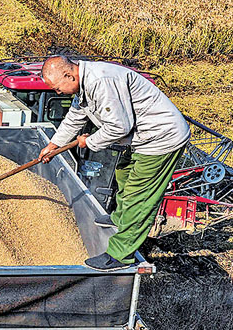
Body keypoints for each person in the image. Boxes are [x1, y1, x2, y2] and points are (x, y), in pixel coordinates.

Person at [37, 56, 190, 271]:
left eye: (57, 88)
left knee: (140, 196)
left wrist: (89, 142)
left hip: (161, 137)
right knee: (123, 175)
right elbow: (75, 117)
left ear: (69, 75)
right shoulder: (83, 85)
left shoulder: (102, 81)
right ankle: (119, 217)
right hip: (140, 137)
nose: (57, 93)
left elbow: (119, 127)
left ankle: (120, 255)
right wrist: (54, 145)